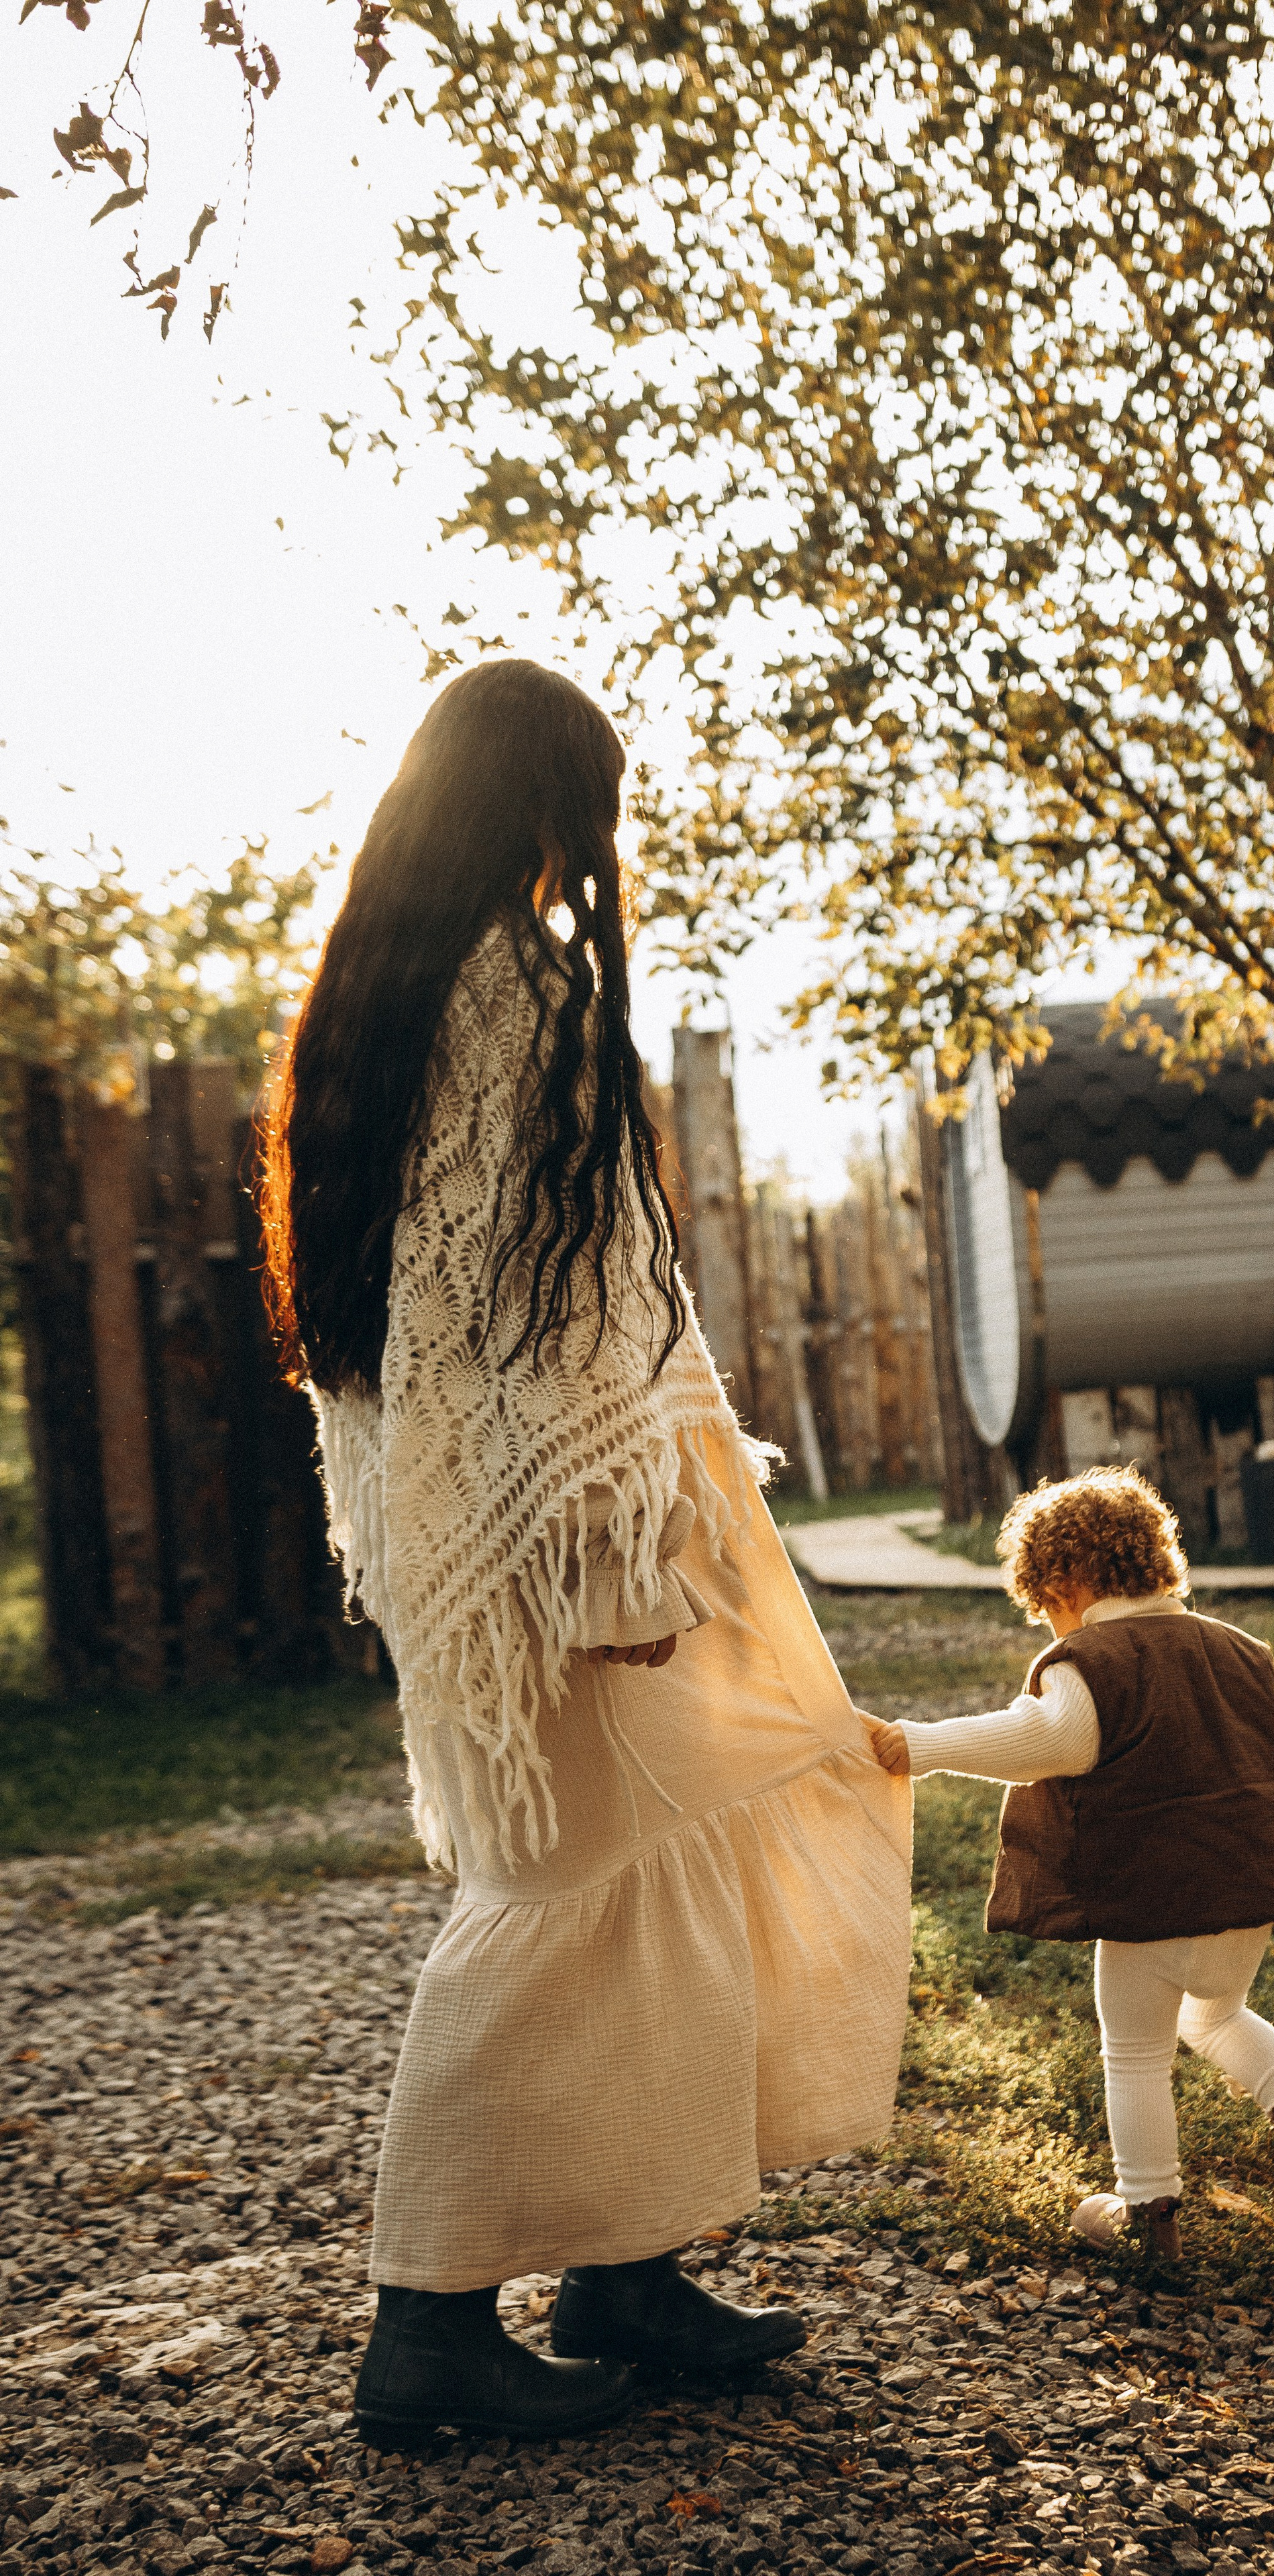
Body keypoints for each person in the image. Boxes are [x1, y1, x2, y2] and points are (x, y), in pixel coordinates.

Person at [260, 658, 912, 2446]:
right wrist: (612, 1560)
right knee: (551, 1907)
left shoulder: (382, 997)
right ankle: (425, 2325)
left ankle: (628, 2266)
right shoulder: (516, 998)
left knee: (659, 1872)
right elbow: (541, 1324)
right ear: (546, 807)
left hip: (485, 1534)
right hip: (567, 1537)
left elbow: (444, 1329)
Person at [865, 1464, 1274, 2260]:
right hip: (1245, 1892)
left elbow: (1049, 1739)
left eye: (1046, 1609)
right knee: (1214, 2014)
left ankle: (1147, 2215)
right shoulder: (1237, 1650)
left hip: (1150, 1900)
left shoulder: (1092, 1660)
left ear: (1064, 1582)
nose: (1051, 1628)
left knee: (1134, 2054)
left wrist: (921, 1744)